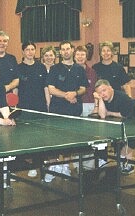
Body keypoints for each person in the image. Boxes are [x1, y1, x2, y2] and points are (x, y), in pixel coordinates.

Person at [46, 41, 89, 182]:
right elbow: (51, 89)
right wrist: (67, 95)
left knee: (71, 140)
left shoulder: (79, 69)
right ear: (60, 52)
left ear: (72, 50)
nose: (65, 51)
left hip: (75, 108)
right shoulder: (54, 69)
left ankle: (65, 165)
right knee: (55, 139)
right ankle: (54, 167)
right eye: (63, 49)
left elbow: (84, 88)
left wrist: (75, 93)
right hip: (57, 109)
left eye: (68, 49)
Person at [93, 79, 135, 175]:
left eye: (104, 90)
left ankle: (126, 163)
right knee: (106, 140)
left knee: (129, 144)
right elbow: (102, 115)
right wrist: (100, 99)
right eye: (99, 93)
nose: (103, 94)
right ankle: (108, 161)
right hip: (118, 123)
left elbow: (125, 114)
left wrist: (109, 113)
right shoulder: (104, 98)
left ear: (110, 88)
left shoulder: (122, 97)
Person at [17, 42, 49, 177]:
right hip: (24, 107)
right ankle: (24, 165)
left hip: (40, 106)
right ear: (23, 52)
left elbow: (45, 87)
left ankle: (37, 165)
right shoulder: (18, 68)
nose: (30, 52)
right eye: (27, 50)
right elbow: (16, 88)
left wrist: (48, 103)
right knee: (24, 137)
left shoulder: (41, 67)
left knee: (39, 137)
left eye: (32, 49)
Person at [92, 41, 132, 113]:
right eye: (103, 51)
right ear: (100, 53)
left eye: (108, 51)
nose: (106, 53)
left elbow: (126, 85)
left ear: (112, 53)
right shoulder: (95, 67)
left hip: (117, 102)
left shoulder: (118, 67)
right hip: (101, 102)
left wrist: (129, 99)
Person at [74, 45, 97, 117]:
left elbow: (95, 90)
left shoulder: (92, 72)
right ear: (74, 57)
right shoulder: (69, 71)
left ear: (86, 57)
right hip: (73, 104)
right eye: (78, 54)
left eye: (82, 55)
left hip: (89, 104)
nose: (80, 57)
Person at [40, 45, 57, 112]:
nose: (49, 58)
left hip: (56, 103)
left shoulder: (59, 69)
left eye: (51, 55)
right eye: (46, 55)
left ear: (55, 56)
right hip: (42, 103)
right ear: (43, 57)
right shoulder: (39, 69)